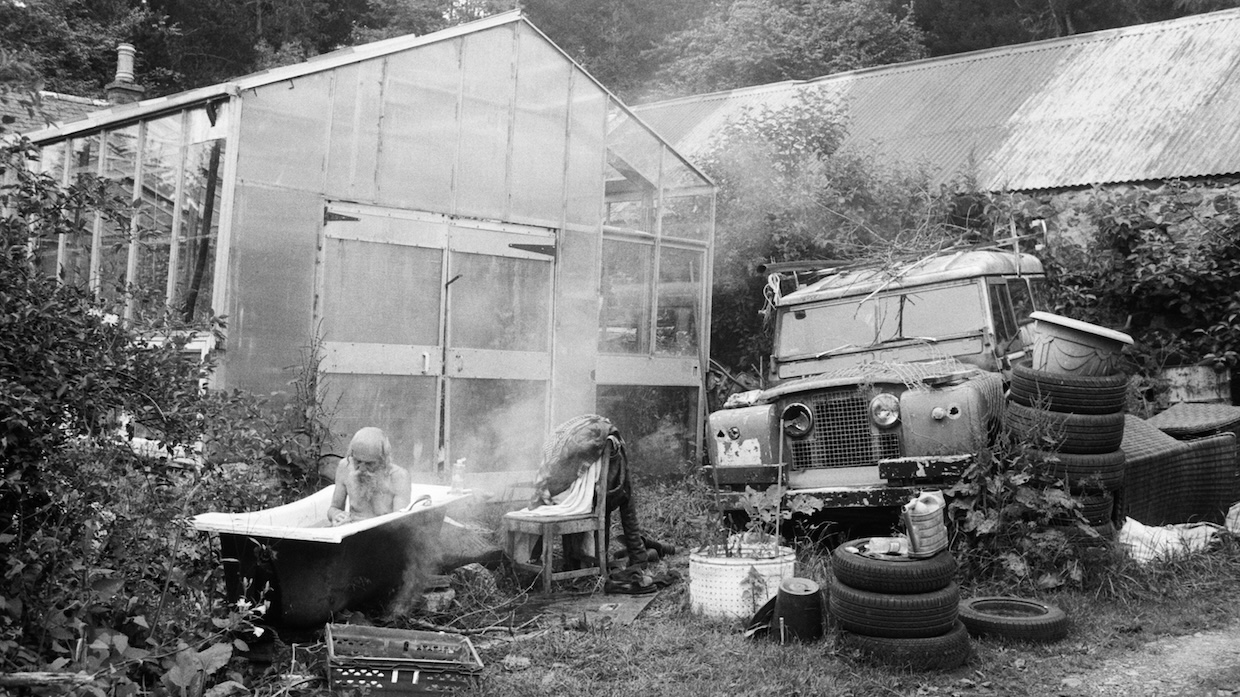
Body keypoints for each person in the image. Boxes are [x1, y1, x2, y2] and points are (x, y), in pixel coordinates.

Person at [327, 427, 411, 526]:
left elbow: (400, 524)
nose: (362, 469)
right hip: (350, 530)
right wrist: (336, 515)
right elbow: (333, 508)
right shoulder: (345, 467)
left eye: (369, 464)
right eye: (357, 461)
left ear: (384, 460)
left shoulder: (399, 477)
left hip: (383, 533)